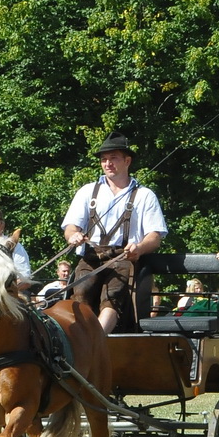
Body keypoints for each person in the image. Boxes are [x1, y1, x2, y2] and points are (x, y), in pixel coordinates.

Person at [61, 133, 168, 333]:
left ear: (127, 161)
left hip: (124, 258)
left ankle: (97, 341)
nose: (107, 163)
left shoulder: (144, 195)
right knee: (81, 292)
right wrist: (73, 236)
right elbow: (70, 227)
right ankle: (78, 338)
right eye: (104, 159)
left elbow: (154, 236)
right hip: (91, 257)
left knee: (112, 296)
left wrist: (140, 248)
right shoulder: (87, 192)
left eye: (113, 158)